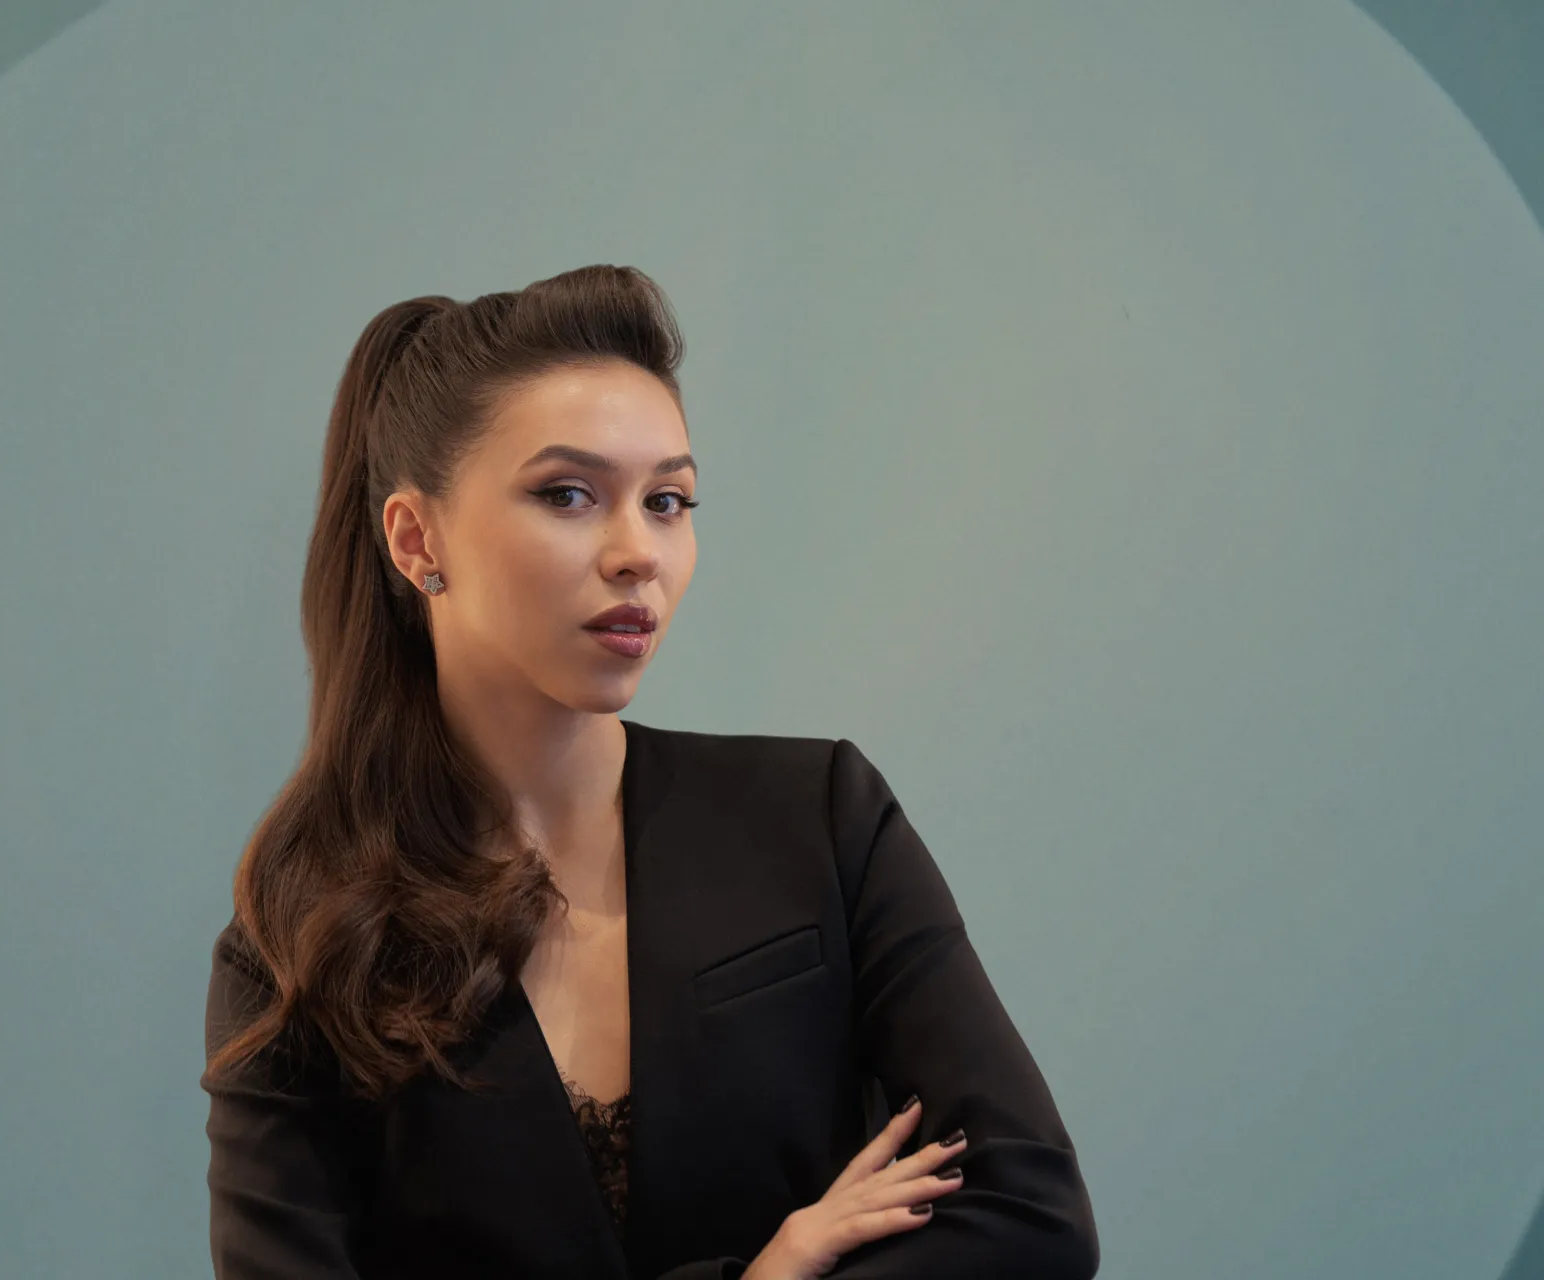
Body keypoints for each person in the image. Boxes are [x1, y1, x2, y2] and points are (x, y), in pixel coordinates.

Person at [200, 264, 1099, 1279]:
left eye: (668, 500)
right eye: (568, 494)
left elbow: (1032, 1216)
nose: (640, 552)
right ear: (416, 539)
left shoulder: (819, 820)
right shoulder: (298, 948)